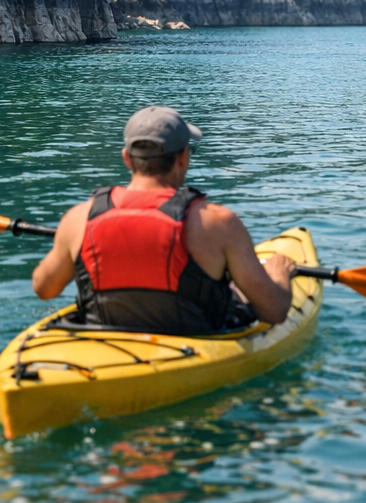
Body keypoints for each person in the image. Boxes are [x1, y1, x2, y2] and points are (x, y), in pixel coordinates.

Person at [31, 106, 296, 333]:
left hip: (102, 342)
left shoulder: (79, 218)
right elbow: (274, 312)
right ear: (183, 158)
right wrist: (280, 276)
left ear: (126, 158)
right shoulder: (218, 223)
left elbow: (44, 289)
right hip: (194, 344)